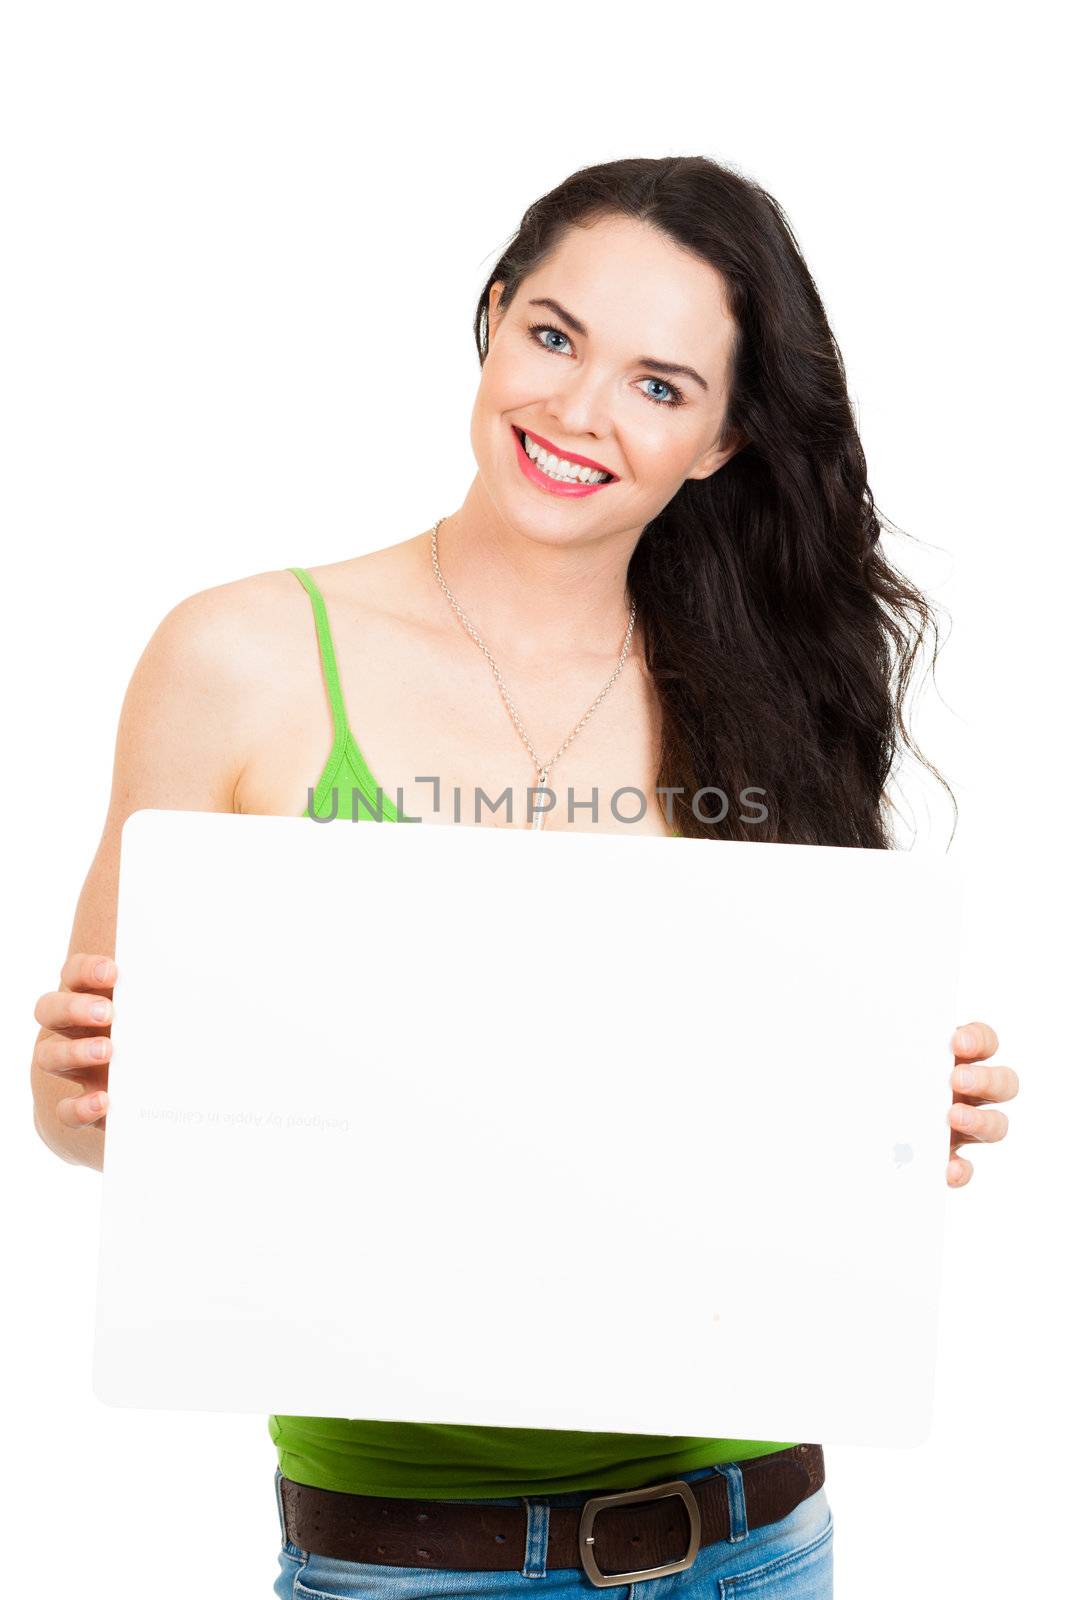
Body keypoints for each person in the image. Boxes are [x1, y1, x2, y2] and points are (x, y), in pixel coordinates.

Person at [30, 154, 1019, 1597]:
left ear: (726, 441)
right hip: (416, 1553)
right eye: (554, 337)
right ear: (492, 320)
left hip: (757, 1532)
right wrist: (77, 1094)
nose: (576, 410)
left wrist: (888, 1117)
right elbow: (107, 1124)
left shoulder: (770, 691)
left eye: (659, 385)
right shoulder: (239, 657)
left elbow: (762, 1147)